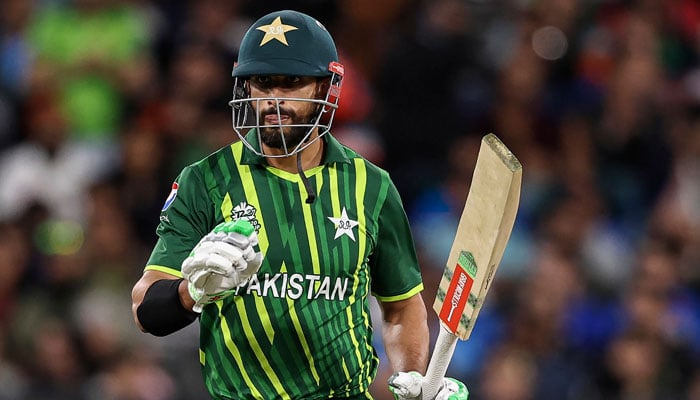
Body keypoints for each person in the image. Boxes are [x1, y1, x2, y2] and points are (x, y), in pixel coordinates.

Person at [131, 10, 468, 400]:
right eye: (263, 82)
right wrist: (193, 292)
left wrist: (412, 376)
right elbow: (145, 310)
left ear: (326, 87)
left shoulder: (371, 186)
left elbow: (399, 308)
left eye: (292, 82)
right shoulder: (205, 180)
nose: (275, 98)